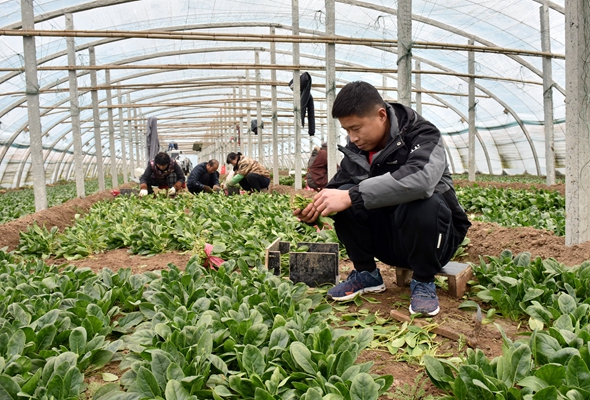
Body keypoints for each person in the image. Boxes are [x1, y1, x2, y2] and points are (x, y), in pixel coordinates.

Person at [294, 81, 471, 316]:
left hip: (436, 242)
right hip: (391, 242)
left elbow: (422, 179)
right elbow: (338, 189)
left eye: (356, 128)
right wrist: (315, 209)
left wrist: (352, 195)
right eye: (347, 130)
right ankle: (367, 274)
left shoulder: (422, 134)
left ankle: (424, 281)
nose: (352, 137)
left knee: (421, 201)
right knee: (343, 195)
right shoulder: (358, 150)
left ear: (380, 115)